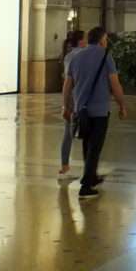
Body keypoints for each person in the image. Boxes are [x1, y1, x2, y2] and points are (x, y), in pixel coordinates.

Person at [62, 26, 127, 200]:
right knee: (95, 147)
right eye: (105, 40)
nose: (106, 43)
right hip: (99, 111)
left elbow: (67, 85)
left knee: (87, 144)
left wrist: (65, 107)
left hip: (80, 110)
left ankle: (90, 176)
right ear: (101, 40)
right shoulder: (106, 57)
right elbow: (115, 84)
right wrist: (122, 105)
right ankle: (86, 186)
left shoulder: (76, 57)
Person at [58, 31, 86, 180]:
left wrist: (64, 104)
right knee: (88, 134)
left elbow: (67, 82)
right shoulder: (84, 55)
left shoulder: (68, 56)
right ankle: (89, 169)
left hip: (70, 98)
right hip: (80, 98)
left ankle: (64, 164)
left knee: (67, 134)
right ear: (81, 41)